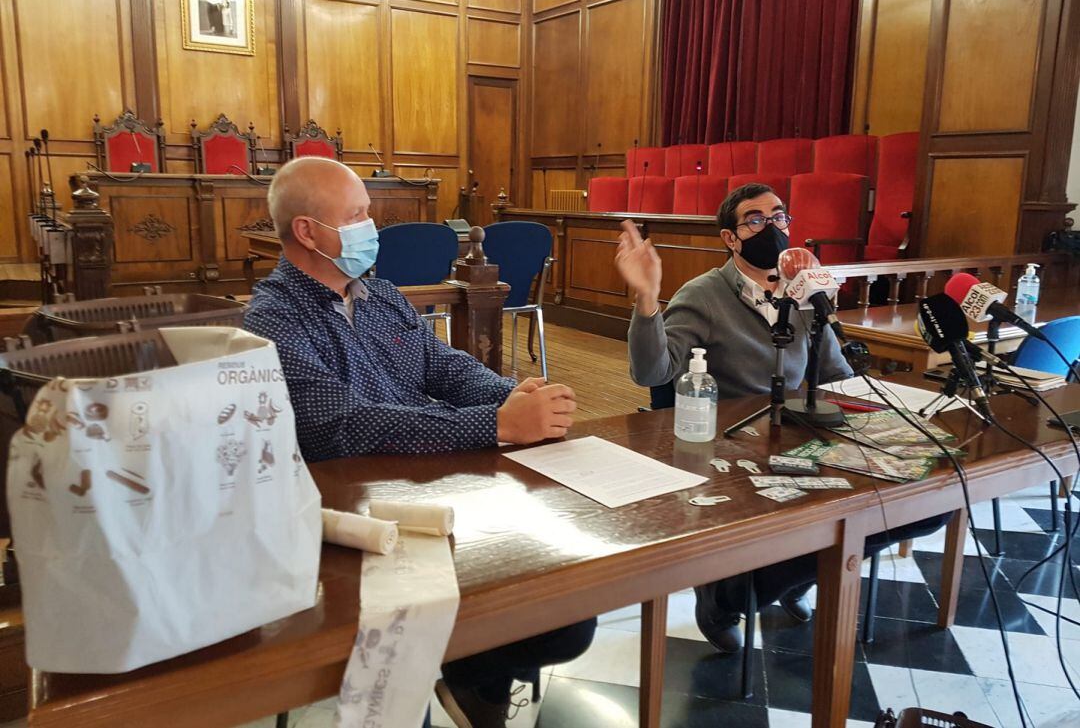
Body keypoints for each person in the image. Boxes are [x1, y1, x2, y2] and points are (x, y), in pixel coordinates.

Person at [244, 157, 594, 727]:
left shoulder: (379, 294)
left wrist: (514, 396)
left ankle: (475, 675)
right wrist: (497, 426)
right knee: (495, 611)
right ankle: (452, 676)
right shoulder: (272, 321)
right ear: (307, 231)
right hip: (355, 513)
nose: (371, 228)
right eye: (357, 216)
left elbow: (445, 367)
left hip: (439, 478)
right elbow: (341, 427)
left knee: (566, 611)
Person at [615, 182, 948, 654]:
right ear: (731, 238)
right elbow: (651, 371)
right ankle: (726, 598)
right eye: (755, 219)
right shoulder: (705, 294)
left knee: (924, 505)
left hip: (800, 433)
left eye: (779, 217)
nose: (772, 227)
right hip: (732, 446)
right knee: (817, 521)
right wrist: (648, 299)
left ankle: (798, 573)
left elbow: (834, 373)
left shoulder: (805, 290)